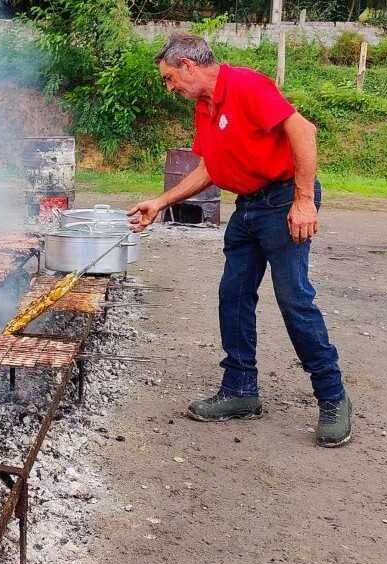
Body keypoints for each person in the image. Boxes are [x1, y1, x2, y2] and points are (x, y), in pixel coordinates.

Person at [129, 34, 351, 447]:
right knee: (233, 295)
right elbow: (210, 166)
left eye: (169, 78)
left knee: (294, 299)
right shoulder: (203, 107)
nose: (169, 87)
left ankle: (333, 397)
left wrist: (304, 200)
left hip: (283, 200)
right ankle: (240, 391)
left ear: (189, 66)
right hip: (247, 206)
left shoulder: (247, 85)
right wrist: (160, 202)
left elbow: (303, 131)